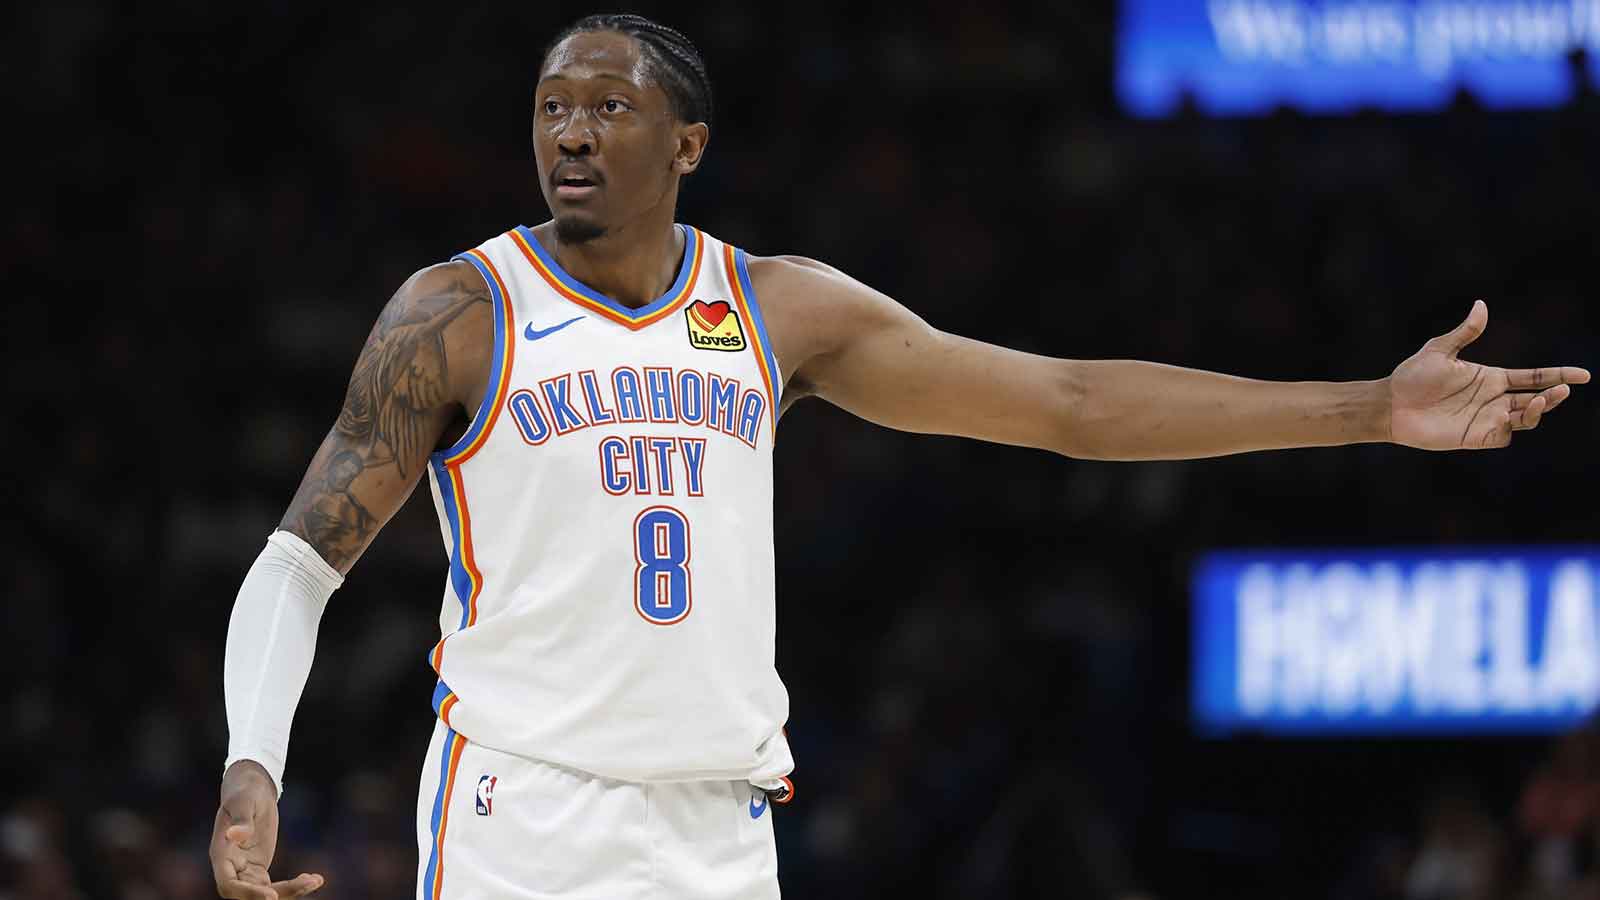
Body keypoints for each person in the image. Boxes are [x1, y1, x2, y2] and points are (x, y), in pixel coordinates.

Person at [207, 13, 1589, 900]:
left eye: (609, 107)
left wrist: (1367, 407)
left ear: (687, 143)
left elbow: (1066, 401)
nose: (571, 131)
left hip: (718, 829)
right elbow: (296, 562)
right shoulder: (456, 310)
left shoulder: (773, 307)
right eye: (552, 106)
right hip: (520, 814)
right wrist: (252, 769)